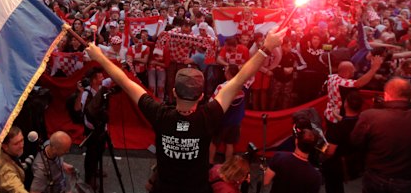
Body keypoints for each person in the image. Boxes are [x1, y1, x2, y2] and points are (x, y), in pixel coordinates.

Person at [84, 26, 286, 193]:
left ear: (173, 91)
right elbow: (240, 79)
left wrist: (100, 57)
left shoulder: (159, 115)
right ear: (201, 96)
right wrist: (265, 48)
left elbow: (124, 81)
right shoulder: (208, 116)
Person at [351, 78, 411, 193]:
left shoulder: (369, 116)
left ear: (386, 95)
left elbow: (356, 141)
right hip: (407, 178)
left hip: (377, 176)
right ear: (410, 96)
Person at [322, 91, 365, 193]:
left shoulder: (337, 128)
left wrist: (320, 147)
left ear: (345, 104)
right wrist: (339, 118)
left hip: (338, 167)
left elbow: (329, 152)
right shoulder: (362, 123)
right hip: (356, 163)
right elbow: (350, 124)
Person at [323, 58, 383, 126]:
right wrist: (373, 69)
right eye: (352, 70)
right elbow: (358, 83)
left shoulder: (333, 77)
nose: (354, 71)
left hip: (329, 113)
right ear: (346, 72)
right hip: (338, 119)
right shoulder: (341, 83)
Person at [263, 127, 322, 193]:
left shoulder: (279, 157)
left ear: (296, 141)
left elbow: (265, 181)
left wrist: (266, 170)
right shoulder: (315, 176)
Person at [0, 126, 28, 193]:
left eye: (22, 140)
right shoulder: (4, 169)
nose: (21, 145)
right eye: (16, 144)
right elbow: (17, 189)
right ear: (5, 147)